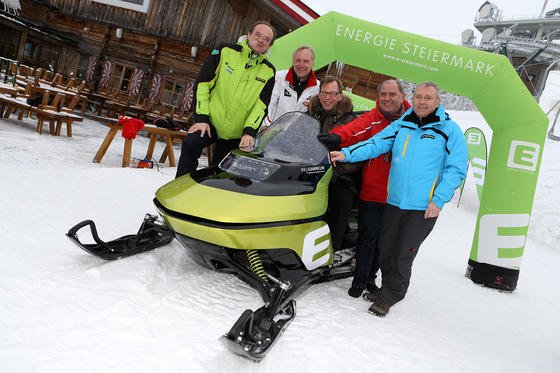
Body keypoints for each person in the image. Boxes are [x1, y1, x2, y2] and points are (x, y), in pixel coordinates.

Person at [330, 82, 468, 317]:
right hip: (394, 201)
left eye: (428, 98)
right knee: (386, 249)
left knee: (403, 252)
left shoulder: (450, 130)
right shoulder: (402, 124)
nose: (422, 102)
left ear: (437, 102)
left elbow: (456, 168)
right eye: (419, 97)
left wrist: (439, 200)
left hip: (423, 206)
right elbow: (376, 144)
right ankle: (388, 288)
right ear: (412, 99)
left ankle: (391, 295)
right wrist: (347, 154)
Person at [319, 79, 410, 298]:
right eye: (383, 94)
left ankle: (371, 277)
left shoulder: (414, 120)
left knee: (385, 240)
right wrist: (337, 136)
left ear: (402, 96)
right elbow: (353, 129)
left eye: (392, 94)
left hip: (400, 193)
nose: (387, 98)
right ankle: (360, 279)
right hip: (374, 188)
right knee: (368, 237)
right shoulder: (373, 117)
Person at [175, 21, 276, 178]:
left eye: (267, 39)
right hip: (211, 122)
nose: (261, 40)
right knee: (191, 144)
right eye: (258, 34)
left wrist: (249, 132)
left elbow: (260, 106)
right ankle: (180, 188)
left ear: (269, 45)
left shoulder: (268, 71)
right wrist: (201, 118)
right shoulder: (224, 51)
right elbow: (203, 85)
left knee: (220, 173)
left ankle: (208, 199)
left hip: (236, 133)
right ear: (248, 34)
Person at [308, 76, 356, 253]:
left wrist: (336, 169)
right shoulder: (312, 113)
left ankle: (332, 246)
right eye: (323, 93)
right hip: (310, 169)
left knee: (341, 196)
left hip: (339, 174)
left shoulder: (349, 120)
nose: (327, 97)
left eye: (332, 94)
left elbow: (356, 154)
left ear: (340, 95)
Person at [263, 46, 319, 126]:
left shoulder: (318, 88)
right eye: (297, 60)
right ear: (292, 61)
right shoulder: (278, 77)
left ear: (313, 63)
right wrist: (266, 126)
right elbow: (268, 104)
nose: (301, 65)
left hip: (297, 136)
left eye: (306, 61)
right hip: (272, 132)